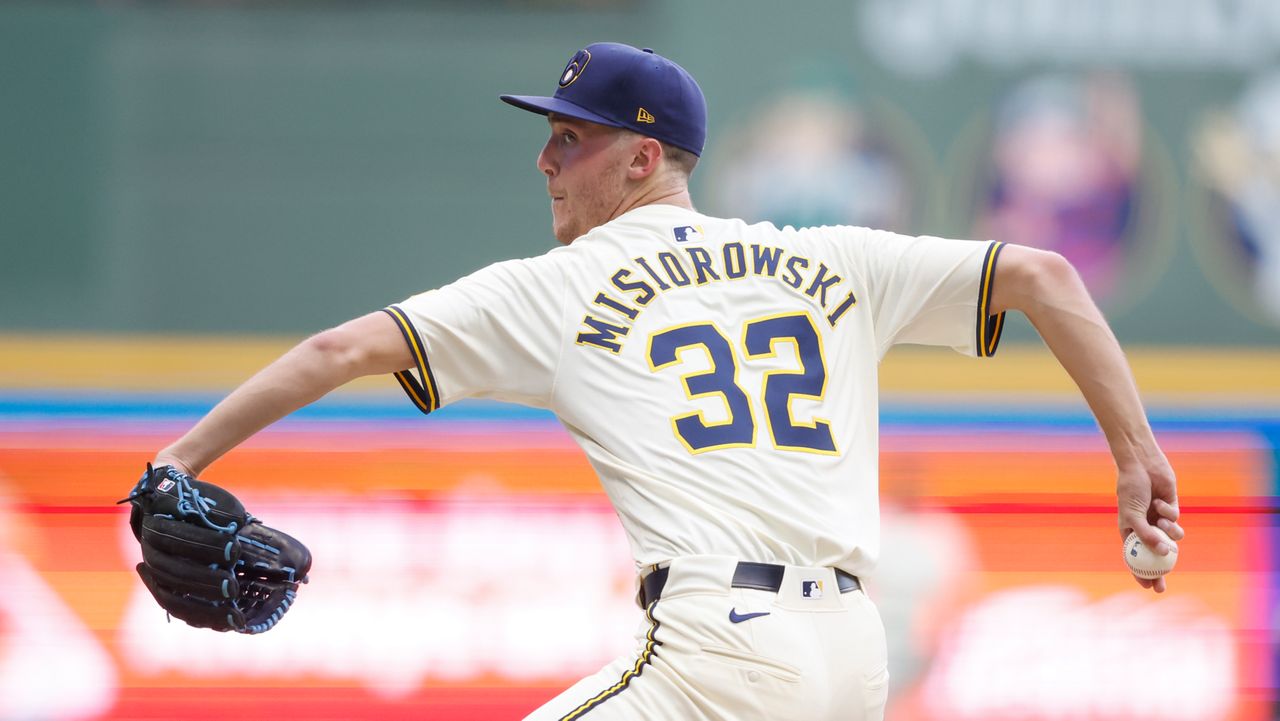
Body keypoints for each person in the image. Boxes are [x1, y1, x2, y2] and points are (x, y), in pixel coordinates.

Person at [147, 42, 1183, 721]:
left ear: (642, 160)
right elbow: (1042, 276)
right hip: (850, 664)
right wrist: (1137, 458)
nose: (545, 161)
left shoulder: (561, 286)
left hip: (718, 657)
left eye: (569, 137)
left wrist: (178, 459)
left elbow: (337, 350)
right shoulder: (829, 257)